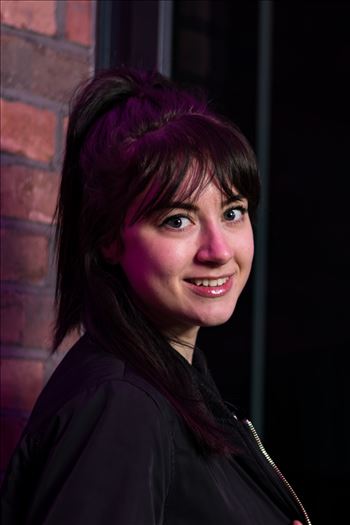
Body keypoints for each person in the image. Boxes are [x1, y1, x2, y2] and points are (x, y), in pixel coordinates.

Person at [0, 68, 310, 525]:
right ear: (109, 238)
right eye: (178, 220)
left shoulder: (175, 390)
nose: (219, 250)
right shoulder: (121, 406)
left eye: (232, 211)